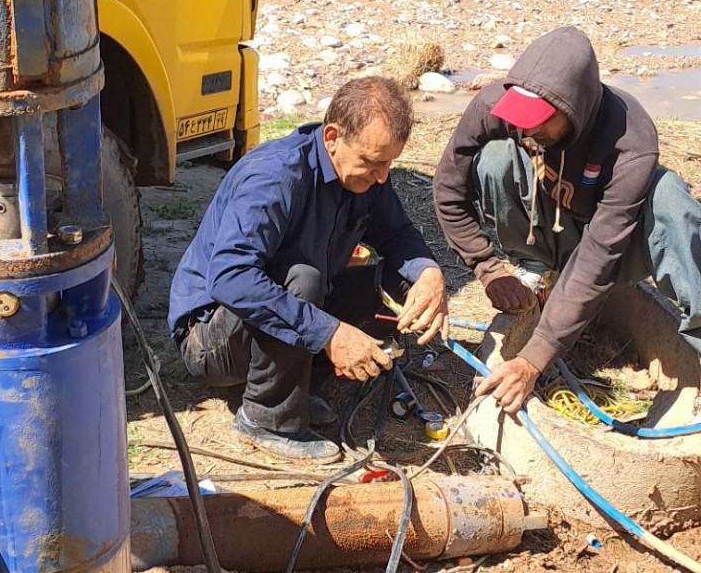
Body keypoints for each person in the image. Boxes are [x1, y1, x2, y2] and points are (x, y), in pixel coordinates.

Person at [168, 76, 449, 463]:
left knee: (394, 282)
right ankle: (266, 419)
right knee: (305, 278)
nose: (383, 177)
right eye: (372, 162)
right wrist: (331, 333)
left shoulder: (367, 174)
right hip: (211, 338)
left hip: (272, 316)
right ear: (332, 135)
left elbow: (398, 234)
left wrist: (429, 274)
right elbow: (231, 277)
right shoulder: (275, 176)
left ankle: (298, 388)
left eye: (389, 164)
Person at [433, 26, 701, 414]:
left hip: (613, 246)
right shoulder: (498, 104)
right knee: (493, 158)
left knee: (674, 203)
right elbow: (448, 188)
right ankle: (534, 263)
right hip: (544, 226)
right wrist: (487, 267)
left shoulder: (630, 141)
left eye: (540, 122)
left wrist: (534, 357)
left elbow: (599, 256)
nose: (526, 130)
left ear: (575, 108)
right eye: (521, 119)